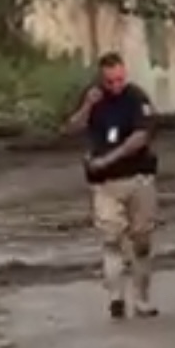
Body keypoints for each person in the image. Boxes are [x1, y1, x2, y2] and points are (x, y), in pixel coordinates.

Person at [64, 52, 159, 320]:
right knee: (111, 238)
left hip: (138, 177)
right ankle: (116, 297)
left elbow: (141, 136)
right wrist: (86, 106)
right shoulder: (93, 98)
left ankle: (142, 298)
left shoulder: (136, 98)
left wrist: (108, 158)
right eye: (110, 82)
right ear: (101, 78)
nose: (115, 86)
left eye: (119, 79)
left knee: (141, 240)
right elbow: (70, 127)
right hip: (105, 184)